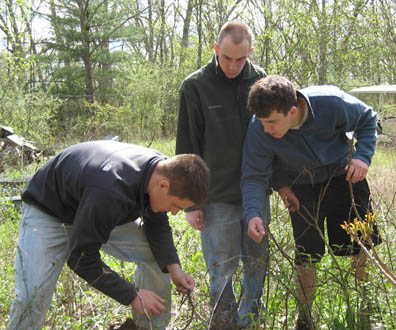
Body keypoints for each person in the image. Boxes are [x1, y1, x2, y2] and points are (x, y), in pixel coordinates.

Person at [7, 140, 210, 330]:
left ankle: (148, 326)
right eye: (175, 206)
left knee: (158, 258)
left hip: (96, 210)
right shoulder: (112, 188)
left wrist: (174, 269)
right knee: (31, 296)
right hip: (49, 213)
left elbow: (156, 223)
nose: (175, 212)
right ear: (163, 185)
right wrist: (132, 295)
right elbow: (81, 259)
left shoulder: (163, 171)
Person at [241, 75, 382, 329]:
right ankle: (305, 317)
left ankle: (366, 309)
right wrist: (253, 213)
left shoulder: (330, 102)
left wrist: (362, 157)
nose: (266, 129)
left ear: (292, 110)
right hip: (301, 185)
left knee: (361, 245)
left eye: (271, 122)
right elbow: (254, 175)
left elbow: (368, 118)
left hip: (345, 175)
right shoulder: (258, 127)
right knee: (306, 254)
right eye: (262, 122)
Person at [176, 21, 269, 329]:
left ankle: (249, 322)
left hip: (255, 195)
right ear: (216, 49)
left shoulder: (261, 82)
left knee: (257, 265)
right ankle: (224, 323)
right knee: (222, 270)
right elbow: (186, 147)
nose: (232, 66)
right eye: (226, 57)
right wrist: (192, 202)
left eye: (240, 59)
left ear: (250, 53)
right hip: (215, 197)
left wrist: (280, 184)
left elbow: (274, 138)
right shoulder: (195, 86)